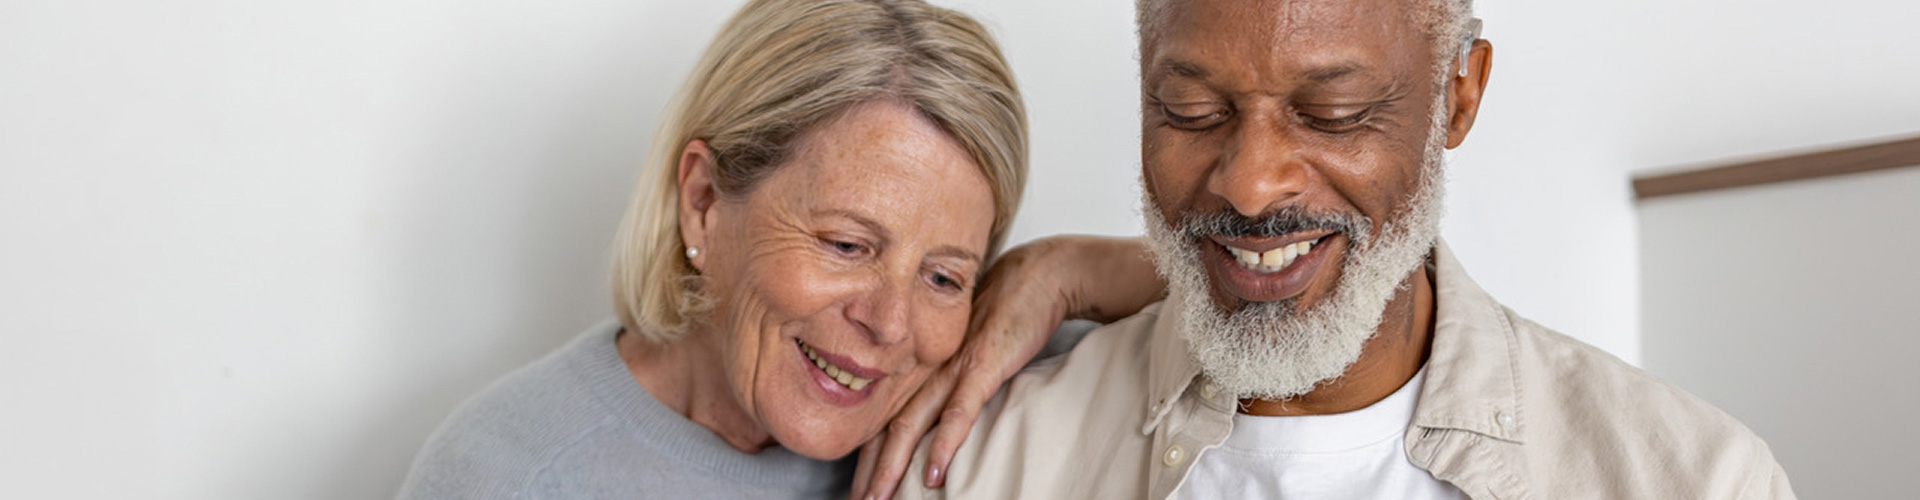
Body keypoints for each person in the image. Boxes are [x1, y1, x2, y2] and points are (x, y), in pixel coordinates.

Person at [869, 0, 1798, 498]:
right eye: (1191, 112)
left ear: (1457, 97)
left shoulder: (1695, 480)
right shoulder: (987, 462)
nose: (1250, 182)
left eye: (1334, 114)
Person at [394, 0, 1164, 498]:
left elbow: (1270, 308)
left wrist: (1072, 270)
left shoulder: (984, 381)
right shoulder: (510, 472)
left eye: (941, 275)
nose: (891, 324)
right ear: (702, 202)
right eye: (847, 244)